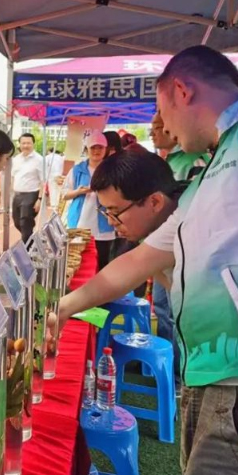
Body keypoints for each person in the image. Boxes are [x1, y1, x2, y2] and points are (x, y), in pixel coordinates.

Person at [58, 45, 238, 475]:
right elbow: (137, 260)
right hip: (215, 386)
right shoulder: (211, 171)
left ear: (182, 91)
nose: (161, 126)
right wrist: (61, 309)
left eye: (162, 111)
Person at [89, 149, 183, 375]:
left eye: (115, 212)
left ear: (155, 202)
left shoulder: (185, 226)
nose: (112, 222)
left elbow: (126, 270)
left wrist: (62, 309)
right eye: (106, 212)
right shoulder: (157, 230)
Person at [64, 130, 116, 269]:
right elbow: (64, 194)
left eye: (100, 147)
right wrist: (78, 191)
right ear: (87, 149)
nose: (97, 151)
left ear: (106, 149)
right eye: (93, 147)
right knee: (79, 265)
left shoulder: (112, 170)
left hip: (104, 225)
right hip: (80, 223)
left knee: (101, 263)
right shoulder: (77, 170)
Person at [150, 110, 210, 181]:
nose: (151, 134)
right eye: (151, 129)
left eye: (157, 127)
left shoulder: (194, 159)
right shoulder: (166, 160)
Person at [10, 133, 43, 243]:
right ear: (19, 144)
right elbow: (13, 177)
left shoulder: (39, 160)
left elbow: (43, 181)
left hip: (31, 195)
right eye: (23, 143)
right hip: (17, 195)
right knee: (17, 222)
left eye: (28, 143)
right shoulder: (16, 159)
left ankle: (26, 251)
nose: (26, 145)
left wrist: (39, 199)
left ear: (33, 144)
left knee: (25, 224)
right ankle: (33, 241)